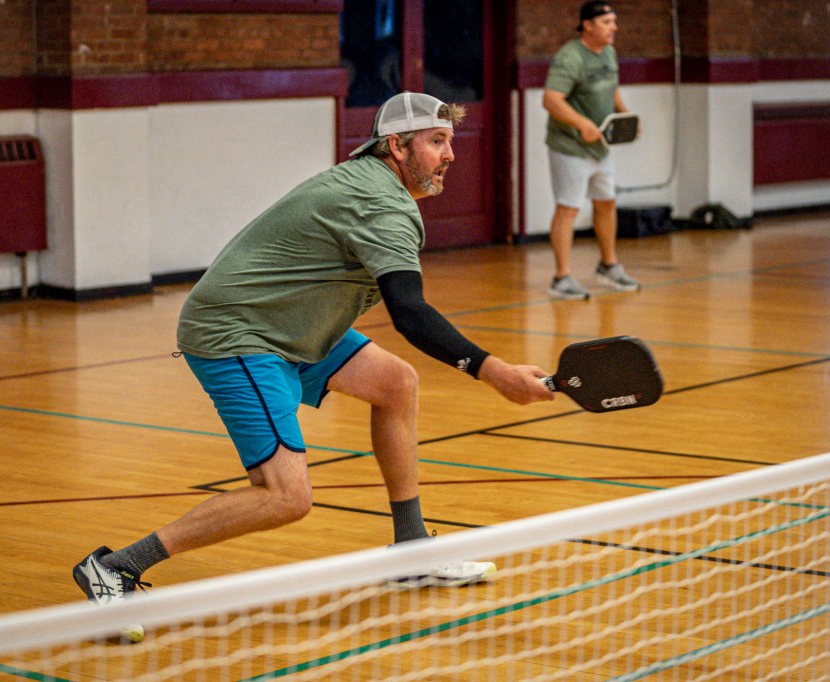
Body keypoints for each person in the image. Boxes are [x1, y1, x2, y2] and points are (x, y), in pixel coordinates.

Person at [72, 92, 554, 640]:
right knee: (286, 496)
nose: (450, 155)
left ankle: (412, 548)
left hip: (291, 322)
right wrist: (495, 372)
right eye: (437, 142)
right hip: (240, 331)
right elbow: (410, 313)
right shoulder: (380, 205)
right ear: (397, 147)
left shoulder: (372, 184)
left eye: (450, 141)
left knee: (395, 384)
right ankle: (115, 567)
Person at [543, 1, 641, 300]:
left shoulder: (608, 52)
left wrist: (626, 115)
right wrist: (582, 123)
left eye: (614, 22)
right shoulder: (570, 57)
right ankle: (561, 278)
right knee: (569, 208)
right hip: (570, 146)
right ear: (588, 25)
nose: (614, 28)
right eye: (607, 22)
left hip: (601, 147)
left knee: (607, 202)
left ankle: (608, 266)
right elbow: (552, 100)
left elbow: (612, 88)